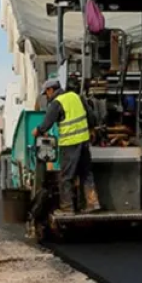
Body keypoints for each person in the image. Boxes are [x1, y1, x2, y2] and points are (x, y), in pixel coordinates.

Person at [32, 78, 101, 214]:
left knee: (66, 176)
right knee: (86, 173)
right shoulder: (77, 97)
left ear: (50, 90)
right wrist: (91, 130)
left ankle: (67, 208)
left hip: (69, 144)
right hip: (84, 142)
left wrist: (38, 131)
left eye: (46, 94)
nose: (47, 97)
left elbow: (47, 123)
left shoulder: (57, 103)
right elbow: (91, 118)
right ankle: (92, 203)